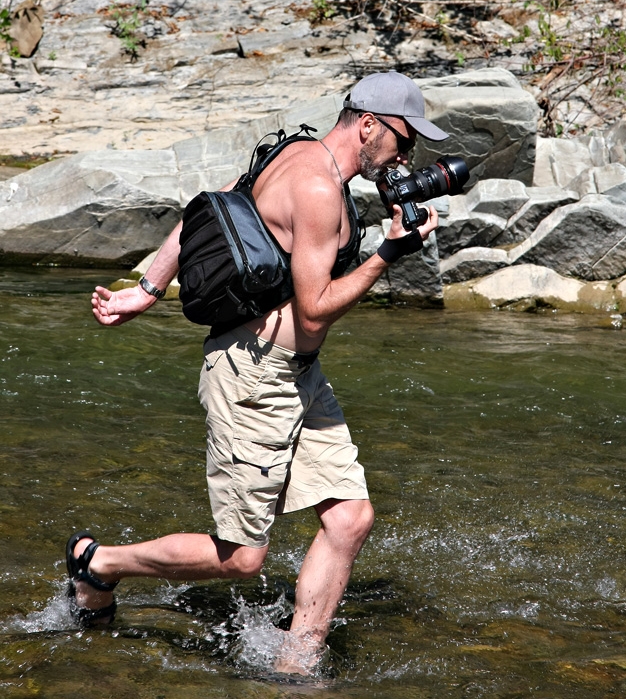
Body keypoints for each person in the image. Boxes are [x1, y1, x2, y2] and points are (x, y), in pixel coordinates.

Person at [71, 70, 447, 674]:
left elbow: (208, 209)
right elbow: (316, 305)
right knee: (243, 559)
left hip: (299, 371)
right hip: (252, 374)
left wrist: (147, 287)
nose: (408, 157)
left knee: (349, 518)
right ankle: (100, 562)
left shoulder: (292, 151)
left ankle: (296, 666)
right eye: (404, 141)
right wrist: (388, 254)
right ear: (369, 124)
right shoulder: (319, 191)